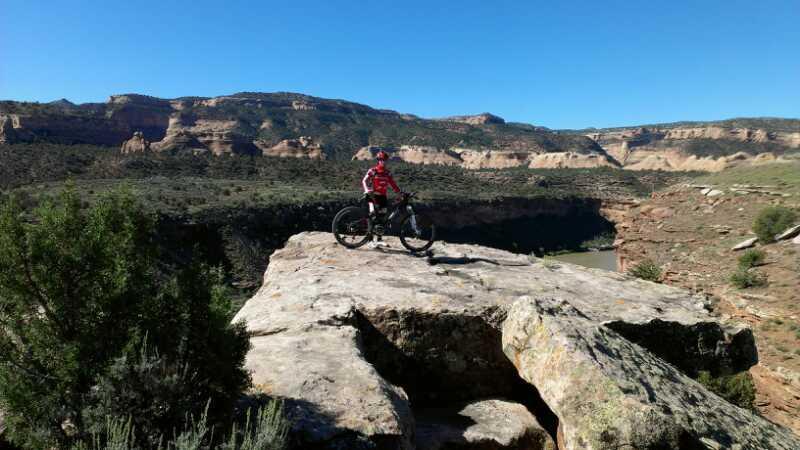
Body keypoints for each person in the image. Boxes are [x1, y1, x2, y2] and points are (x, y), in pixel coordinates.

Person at [362, 150, 403, 247]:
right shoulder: (373, 170)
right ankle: (370, 241)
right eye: (381, 160)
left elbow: (393, 185)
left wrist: (400, 193)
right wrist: (367, 189)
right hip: (373, 196)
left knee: (382, 218)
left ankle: (379, 239)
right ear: (378, 160)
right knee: (373, 216)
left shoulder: (387, 173)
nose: (383, 162)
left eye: (385, 160)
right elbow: (364, 181)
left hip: (383, 197)